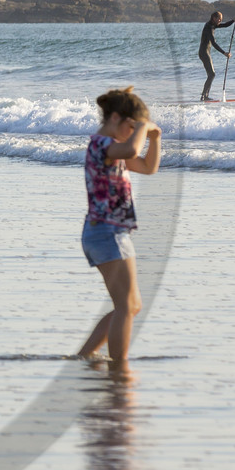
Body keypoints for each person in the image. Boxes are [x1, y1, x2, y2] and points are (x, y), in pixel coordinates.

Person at [77, 86, 163, 369]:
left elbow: (149, 167)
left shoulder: (114, 148)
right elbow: (131, 148)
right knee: (126, 306)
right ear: (115, 118)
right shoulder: (102, 144)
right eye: (129, 126)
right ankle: (119, 365)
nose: (133, 131)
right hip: (105, 232)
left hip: (113, 232)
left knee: (131, 305)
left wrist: (155, 137)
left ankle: (86, 355)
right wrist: (141, 127)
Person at [198, 10, 235, 100]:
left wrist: (233, 20)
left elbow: (224, 25)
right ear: (214, 18)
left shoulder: (212, 25)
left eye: (221, 19)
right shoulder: (209, 28)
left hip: (204, 52)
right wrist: (224, 53)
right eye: (219, 19)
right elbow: (213, 43)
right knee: (212, 74)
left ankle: (204, 96)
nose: (220, 21)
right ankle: (204, 96)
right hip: (204, 53)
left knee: (211, 74)